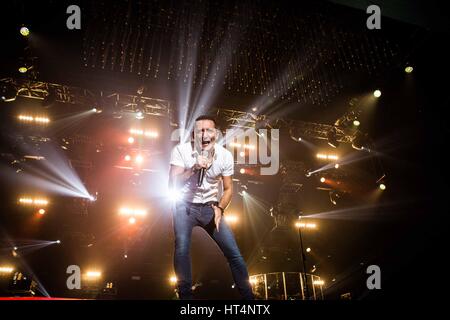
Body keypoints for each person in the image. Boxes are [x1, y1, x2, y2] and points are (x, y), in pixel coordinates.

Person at [168, 115, 254, 300]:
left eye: (209, 130)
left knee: (234, 253)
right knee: (182, 247)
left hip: (210, 208)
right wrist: (194, 168)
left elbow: (229, 188)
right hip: (185, 206)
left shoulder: (225, 156)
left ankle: (249, 300)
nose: (204, 134)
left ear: (216, 133)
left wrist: (220, 208)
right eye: (200, 131)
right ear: (193, 135)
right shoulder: (181, 151)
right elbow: (172, 183)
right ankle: (186, 299)